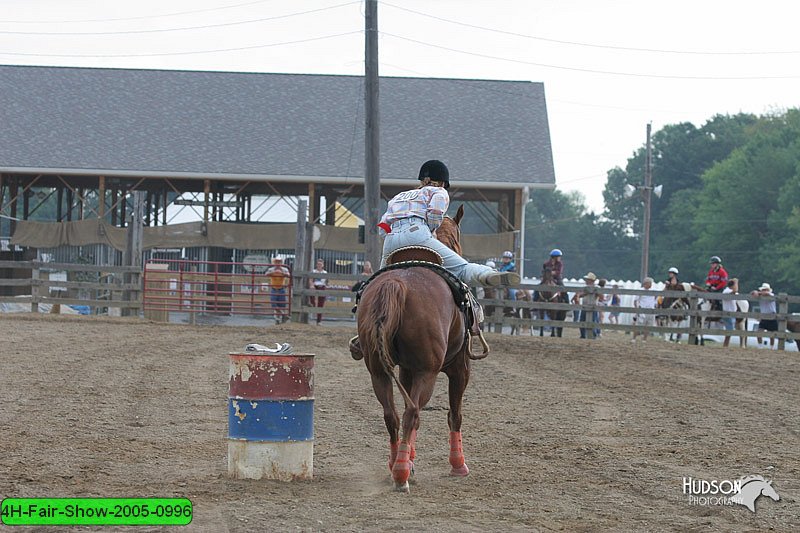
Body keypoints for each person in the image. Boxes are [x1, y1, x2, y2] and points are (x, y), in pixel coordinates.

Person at [377, 159, 519, 288]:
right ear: (443, 182)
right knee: (462, 268)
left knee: (378, 280)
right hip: (417, 233)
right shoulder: (440, 191)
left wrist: (393, 236)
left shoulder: (399, 196)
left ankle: (362, 302)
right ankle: (489, 275)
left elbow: (382, 227)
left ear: (422, 180)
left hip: (391, 240)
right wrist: (430, 232)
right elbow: (436, 212)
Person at [571, 272, 599, 339]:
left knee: (592, 322)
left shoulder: (596, 288)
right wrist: (578, 295)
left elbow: (601, 297)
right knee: (582, 322)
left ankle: (593, 336)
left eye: (587, 279)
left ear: (591, 280)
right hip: (584, 307)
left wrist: (593, 292)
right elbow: (581, 294)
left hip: (593, 307)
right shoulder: (586, 288)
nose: (585, 281)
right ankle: (583, 335)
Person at [750, 282, 777, 349]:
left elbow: (767, 293)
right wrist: (755, 292)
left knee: (772, 334)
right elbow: (752, 293)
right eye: (763, 289)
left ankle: (772, 347)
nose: (764, 291)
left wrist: (759, 293)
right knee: (759, 332)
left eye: (765, 289)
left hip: (772, 317)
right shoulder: (760, 296)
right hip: (764, 317)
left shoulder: (771, 295)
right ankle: (760, 346)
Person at [265, 257, 290, 325]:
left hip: (282, 288)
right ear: (274, 262)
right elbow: (266, 274)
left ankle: (279, 319)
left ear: (281, 263)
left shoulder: (285, 269)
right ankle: (282, 316)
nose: (278, 263)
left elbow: (288, 275)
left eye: (279, 262)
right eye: (276, 262)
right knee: (274, 304)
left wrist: (282, 273)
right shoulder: (271, 269)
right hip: (274, 288)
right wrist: (274, 272)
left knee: (282, 305)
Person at [632, 277, 657, 343]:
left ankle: (644, 339)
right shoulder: (640, 290)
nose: (651, 284)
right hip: (642, 309)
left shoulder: (653, 290)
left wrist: (655, 305)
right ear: (646, 283)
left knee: (648, 325)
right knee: (638, 325)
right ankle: (634, 338)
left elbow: (655, 298)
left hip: (651, 310)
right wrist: (637, 309)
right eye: (650, 283)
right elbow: (635, 300)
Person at [721, 278, 738, 348]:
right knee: (729, 331)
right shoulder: (727, 291)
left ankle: (726, 345)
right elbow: (734, 292)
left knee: (730, 331)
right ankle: (725, 345)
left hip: (731, 313)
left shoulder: (728, 290)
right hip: (728, 313)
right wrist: (736, 283)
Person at [310, 258, 327, 325]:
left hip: (322, 286)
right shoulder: (314, 271)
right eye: (318, 264)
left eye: (320, 264)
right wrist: (311, 285)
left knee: (321, 304)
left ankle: (319, 321)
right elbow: (311, 279)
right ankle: (313, 304)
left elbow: (327, 281)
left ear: (323, 265)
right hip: (315, 286)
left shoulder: (325, 272)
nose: (319, 265)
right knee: (311, 294)